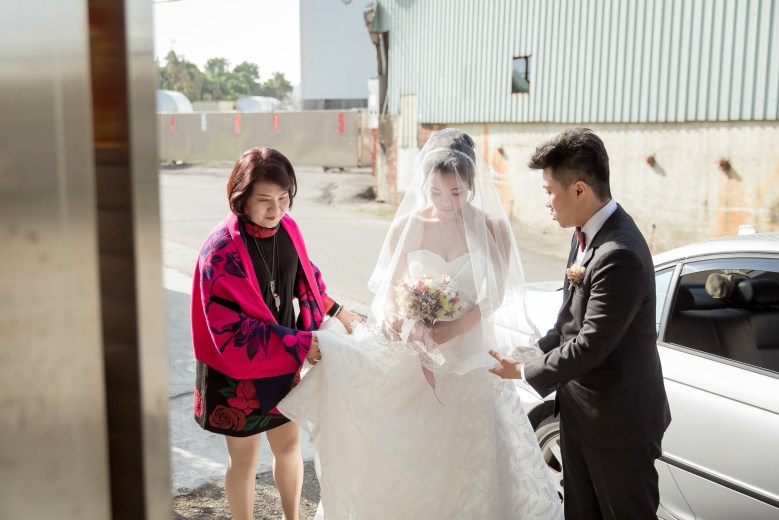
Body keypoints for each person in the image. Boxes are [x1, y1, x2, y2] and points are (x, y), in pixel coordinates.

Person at [278, 129, 563, 519]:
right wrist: (403, 321)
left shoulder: (492, 229)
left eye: (456, 193)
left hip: (468, 359)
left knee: (469, 455)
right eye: (436, 192)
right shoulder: (407, 227)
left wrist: (451, 329)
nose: (446, 202)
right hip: (414, 358)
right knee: (413, 452)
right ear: (424, 185)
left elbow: (494, 296)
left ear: (472, 185)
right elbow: (390, 295)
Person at [489, 128, 672, 520]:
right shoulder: (586, 233)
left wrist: (522, 371)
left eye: (549, 191)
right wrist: (533, 350)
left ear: (579, 190)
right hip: (580, 415)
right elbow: (569, 320)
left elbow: (591, 344)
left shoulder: (619, 252)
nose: (546, 202)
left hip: (618, 424)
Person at [190, 147, 360, 520]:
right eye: (265, 200)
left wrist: (338, 312)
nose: (277, 210)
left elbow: (308, 282)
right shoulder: (220, 250)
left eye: (283, 198)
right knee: (244, 459)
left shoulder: (288, 230)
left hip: (282, 358)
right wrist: (302, 343)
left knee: (288, 447)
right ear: (241, 199)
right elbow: (228, 330)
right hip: (235, 369)